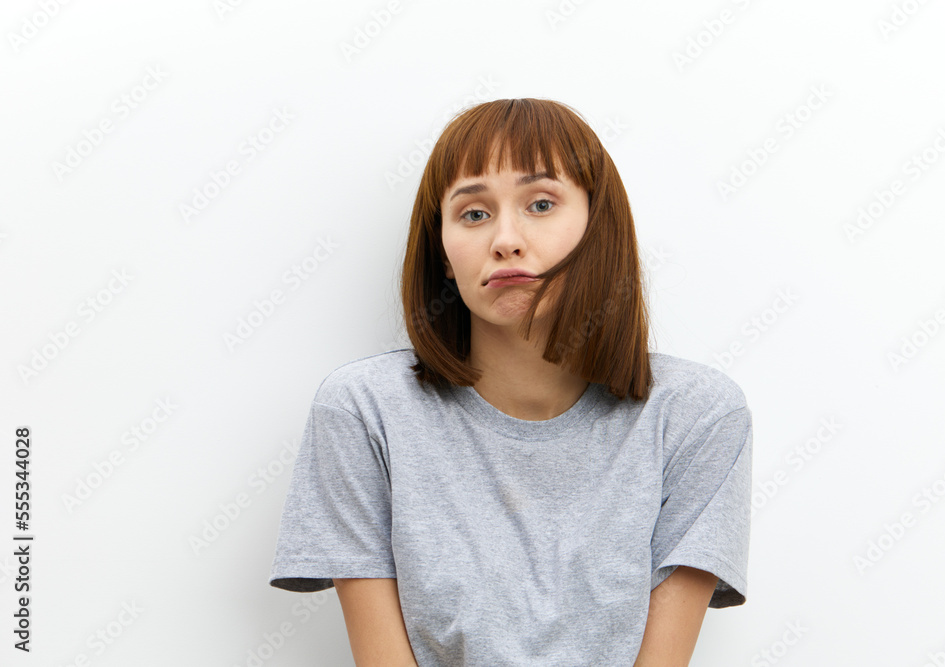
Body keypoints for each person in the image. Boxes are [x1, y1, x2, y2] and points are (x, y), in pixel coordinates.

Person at [269, 98, 753, 666]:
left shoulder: (697, 416)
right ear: (444, 255)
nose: (506, 239)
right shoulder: (364, 411)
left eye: (541, 203)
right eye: (473, 213)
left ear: (599, 226)